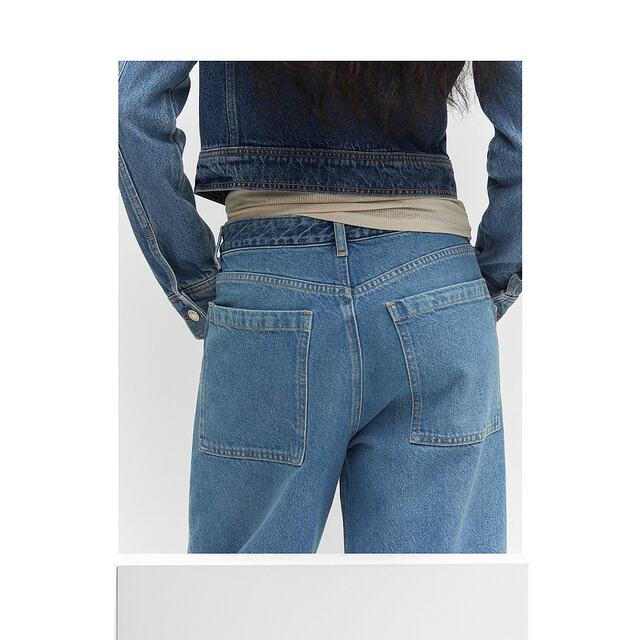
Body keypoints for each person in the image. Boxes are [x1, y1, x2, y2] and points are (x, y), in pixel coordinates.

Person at [118, 61, 522, 553]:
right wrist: (488, 284)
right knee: (436, 595)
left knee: (240, 595)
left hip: (271, 290)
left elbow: (131, 105)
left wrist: (196, 283)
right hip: (432, 294)